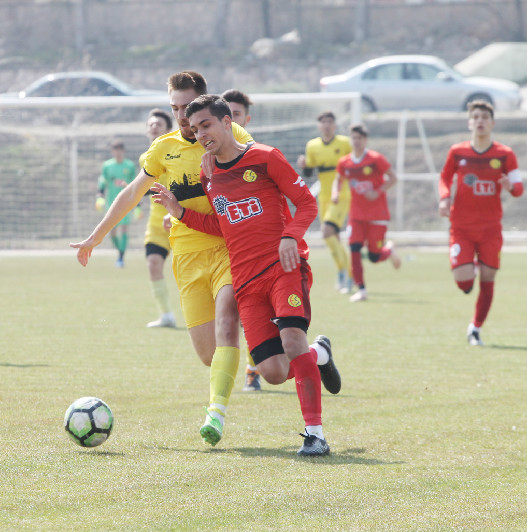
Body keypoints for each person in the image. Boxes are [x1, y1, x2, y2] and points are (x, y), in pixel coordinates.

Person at [152, 95, 341, 456]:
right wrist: (180, 212)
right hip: (247, 282)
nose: (200, 134)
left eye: (206, 125)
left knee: (291, 340)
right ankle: (320, 354)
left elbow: (308, 204)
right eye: (194, 129)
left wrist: (290, 236)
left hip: (284, 267)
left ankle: (315, 434)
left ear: (228, 122)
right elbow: (222, 226)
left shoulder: (266, 158)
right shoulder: (211, 176)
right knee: (271, 371)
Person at [71, 72, 253, 446]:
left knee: (228, 327)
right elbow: (130, 194)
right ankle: (302, 353)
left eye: (187, 107)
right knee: (208, 354)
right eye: (175, 108)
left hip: (228, 250)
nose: (182, 116)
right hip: (186, 258)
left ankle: (215, 414)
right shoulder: (162, 149)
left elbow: (258, 182)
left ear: (207, 104)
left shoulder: (233, 139)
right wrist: (97, 235)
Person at [438, 100, 523, 346]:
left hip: (490, 229)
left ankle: (475, 328)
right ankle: (471, 263)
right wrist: (445, 198)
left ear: (492, 123)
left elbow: (519, 188)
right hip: (461, 227)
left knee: (488, 278)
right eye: (475, 117)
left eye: (485, 117)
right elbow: (444, 177)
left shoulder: (505, 154)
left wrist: (511, 187)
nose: (480, 121)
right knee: (465, 283)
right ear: (469, 122)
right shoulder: (457, 151)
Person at [331, 123, 400, 302]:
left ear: (365, 140)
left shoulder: (376, 159)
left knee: (374, 256)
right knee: (354, 248)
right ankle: (361, 289)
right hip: (356, 215)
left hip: (377, 215)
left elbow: (393, 178)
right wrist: (335, 193)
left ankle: (389, 250)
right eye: (353, 138)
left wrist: (377, 191)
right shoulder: (345, 162)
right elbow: (338, 178)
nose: (356, 141)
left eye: (359, 138)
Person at [221, 89, 261, 392]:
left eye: (236, 115)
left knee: (253, 316)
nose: (231, 120)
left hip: (254, 250)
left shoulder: (259, 159)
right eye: (227, 114)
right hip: (220, 249)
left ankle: (252, 370)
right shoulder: (208, 160)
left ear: (245, 119)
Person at [297, 111, 353, 293]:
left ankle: (347, 273)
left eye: (330, 122)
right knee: (333, 237)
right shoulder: (312, 145)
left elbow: (354, 166)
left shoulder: (344, 144)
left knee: (327, 231)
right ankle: (345, 272)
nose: (327, 125)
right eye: (323, 122)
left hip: (342, 194)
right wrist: (305, 166)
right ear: (319, 126)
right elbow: (309, 173)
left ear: (335, 125)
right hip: (324, 196)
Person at [141, 109, 177, 328]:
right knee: (153, 264)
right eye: (151, 124)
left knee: (187, 270)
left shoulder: (176, 153)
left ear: (168, 130)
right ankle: (166, 315)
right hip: (156, 222)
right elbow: (147, 189)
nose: (154, 127)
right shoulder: (144, 158)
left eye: (159, 124)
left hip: (180, 218)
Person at [97, 139, 137, 268]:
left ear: (123, 151)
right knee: (112, 231)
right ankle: (119, 251)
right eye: (115, 150)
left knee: (124, 228)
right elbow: (102, 181)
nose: (118, 153)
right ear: (112, 151)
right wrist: (100, 196)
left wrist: (138, 206)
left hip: (125, 202)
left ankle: (120, 257)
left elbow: (135, 185)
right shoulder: (107, 166)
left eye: (120, 150)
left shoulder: (129, 166)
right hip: (111, 202)